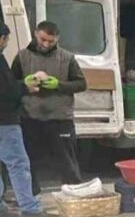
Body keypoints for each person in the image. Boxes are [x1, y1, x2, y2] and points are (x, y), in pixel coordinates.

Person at [11, 21, 86, 194]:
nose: (46, 44)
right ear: (35, 34)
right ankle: (30, 197)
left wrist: (58, 85)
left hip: (60, 118)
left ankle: (75, 196)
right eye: (42, 39)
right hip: (30, 116)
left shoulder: (67, 58)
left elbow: (82, 84)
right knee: (28, 160)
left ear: (57, 38)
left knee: (67, 161)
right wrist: (24, 83)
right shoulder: (22, 56)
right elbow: (11, 84)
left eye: (50, 41)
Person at [0, 23, 58, 217]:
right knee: (18, 164)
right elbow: (7, 92)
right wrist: (27, 87)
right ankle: (30, 210)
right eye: (6, 40)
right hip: (5, 121)